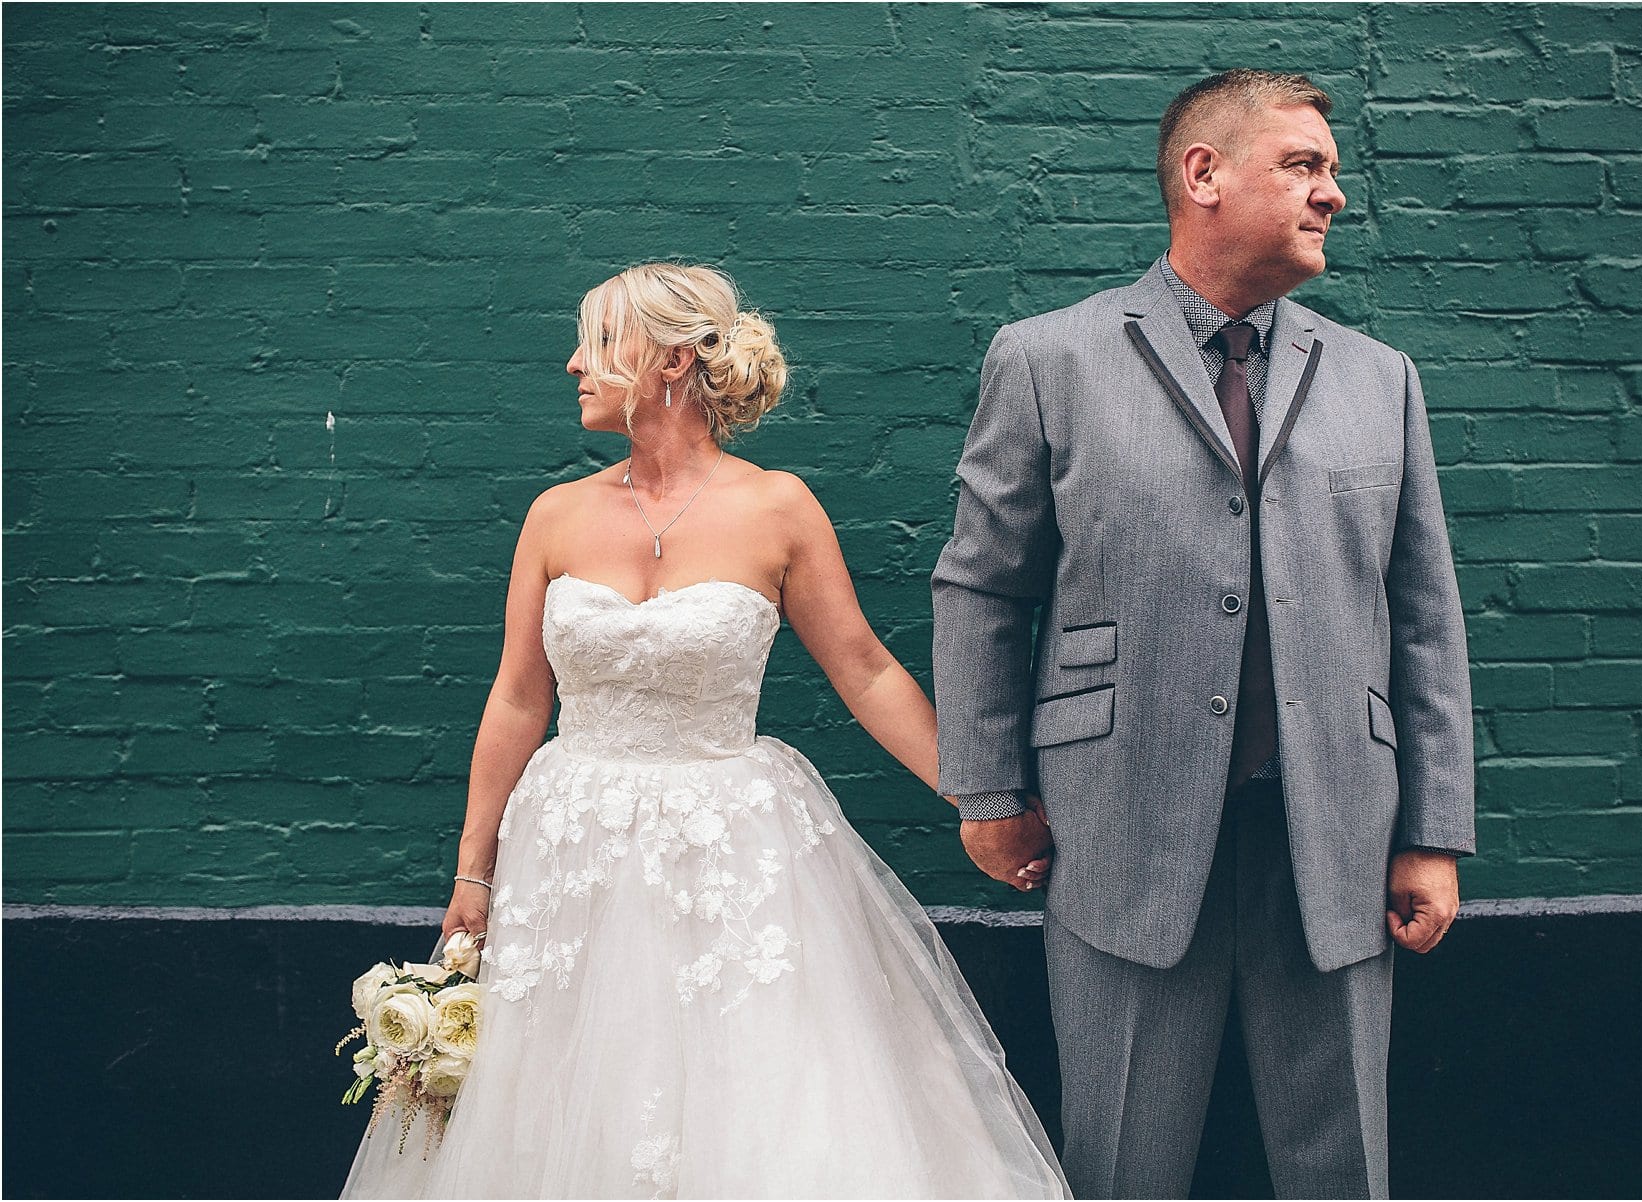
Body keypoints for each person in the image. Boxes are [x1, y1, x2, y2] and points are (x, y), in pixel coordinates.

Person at [341, 263, 1068, 1200]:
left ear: (674, 359)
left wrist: (983, 795)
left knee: (745, 1085)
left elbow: (868, 671)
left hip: (733, 846)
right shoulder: (554, 516)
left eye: (599, 344)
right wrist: (472, 873)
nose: (574, 365)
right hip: (573, 844)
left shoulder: (778, 508)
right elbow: (519, 699)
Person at [932, 69, 1476, 1200]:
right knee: (1122, 1156)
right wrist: (986, 789)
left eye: (1333, 170)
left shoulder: (1383, 380)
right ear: (1204, 174)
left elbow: (1423, 617)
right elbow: (984, 587)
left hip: (1335, 832)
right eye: (1304, 165)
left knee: (1346, 1162)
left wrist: (1432, 828)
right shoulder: (1049, 358)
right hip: (1114, 822)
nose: (1334, 193)